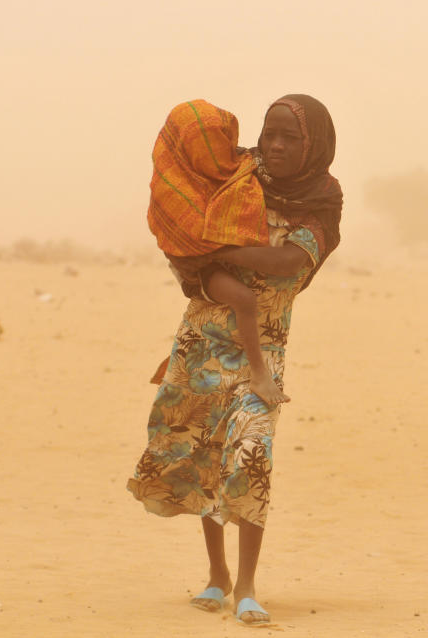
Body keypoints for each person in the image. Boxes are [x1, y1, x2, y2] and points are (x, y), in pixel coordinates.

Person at [128, 94, 343, 626]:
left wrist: (218, 252)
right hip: (201, 341)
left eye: (289, 138)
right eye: (269, 133)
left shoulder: (321, 200)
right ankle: (217, 576)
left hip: (262, 354)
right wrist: (197, 254)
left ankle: (248, 585)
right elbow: (181, 231)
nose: (273, 145)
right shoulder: (235, 175)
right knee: (208, 457)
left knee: (252, 457)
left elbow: (289, 259)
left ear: (313, 144)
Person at [148, 99, 291, 406]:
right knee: (244, 299)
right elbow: (193, 235)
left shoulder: (228, 169)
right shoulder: (171, 185)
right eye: (209, 144)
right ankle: (259, 375)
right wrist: (223, 246)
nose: (218, 151)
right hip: (198, 268)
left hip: (215, 263)